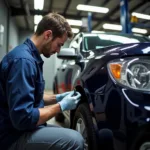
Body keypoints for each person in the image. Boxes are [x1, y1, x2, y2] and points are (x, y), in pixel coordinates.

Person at [0, 12, 84, 150]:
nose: (58, 51)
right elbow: (23, 119)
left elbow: (30, 96)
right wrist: (60, 106)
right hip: (12, 137)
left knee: (70, 134)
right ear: (47, 35)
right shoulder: (23, 62)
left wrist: (57, 98)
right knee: (76, 141)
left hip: (19, 130)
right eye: (59, 44)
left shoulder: (29, 57)